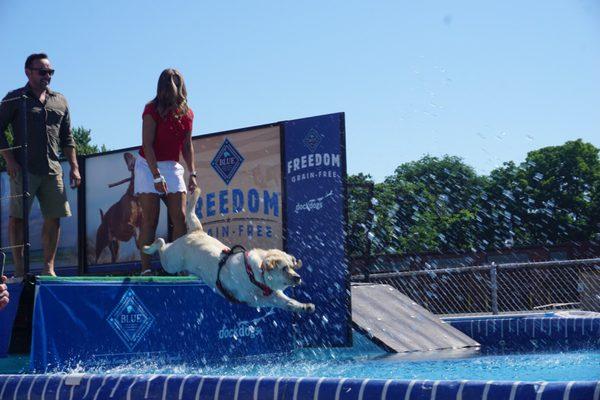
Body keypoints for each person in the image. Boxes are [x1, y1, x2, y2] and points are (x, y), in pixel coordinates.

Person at [0, 53, 81, 277]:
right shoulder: (15, 98)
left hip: (53, 168)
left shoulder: (60, 101)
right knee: (17, 219)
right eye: (42, 71)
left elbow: (68, 138)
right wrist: (10, 160)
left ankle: (49, 268)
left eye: (50, 72)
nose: (47, 76)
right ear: (28, 71)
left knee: (54, 217)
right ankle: (19, 270)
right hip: (23, 169)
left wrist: (74, 167)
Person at [136, 69, 197, 275]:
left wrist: (193, 174)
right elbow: (148, 144)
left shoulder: (188, 113)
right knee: (150, 219)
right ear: (161, 87)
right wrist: (155, 176)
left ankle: (178, 267)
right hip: (148, 165)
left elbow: (187, 147)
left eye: (175, 81)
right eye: (167, 82)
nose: (171, 86)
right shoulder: (151, 109)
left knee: (179, 217)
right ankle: (145, 269)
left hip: (172, 166)